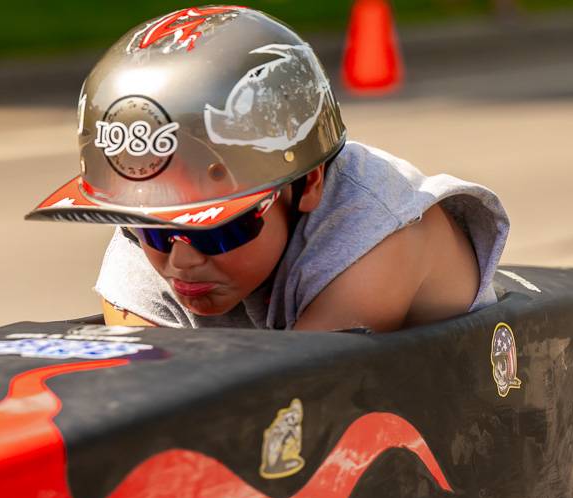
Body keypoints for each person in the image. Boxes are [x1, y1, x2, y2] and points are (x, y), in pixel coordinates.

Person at [26, 6, 509, 332]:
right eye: (148, 228)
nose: (181, 261)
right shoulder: (151, 246)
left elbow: (293, 408)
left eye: (217, 228)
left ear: (308, 184)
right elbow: (136, 396)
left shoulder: (377, 238)